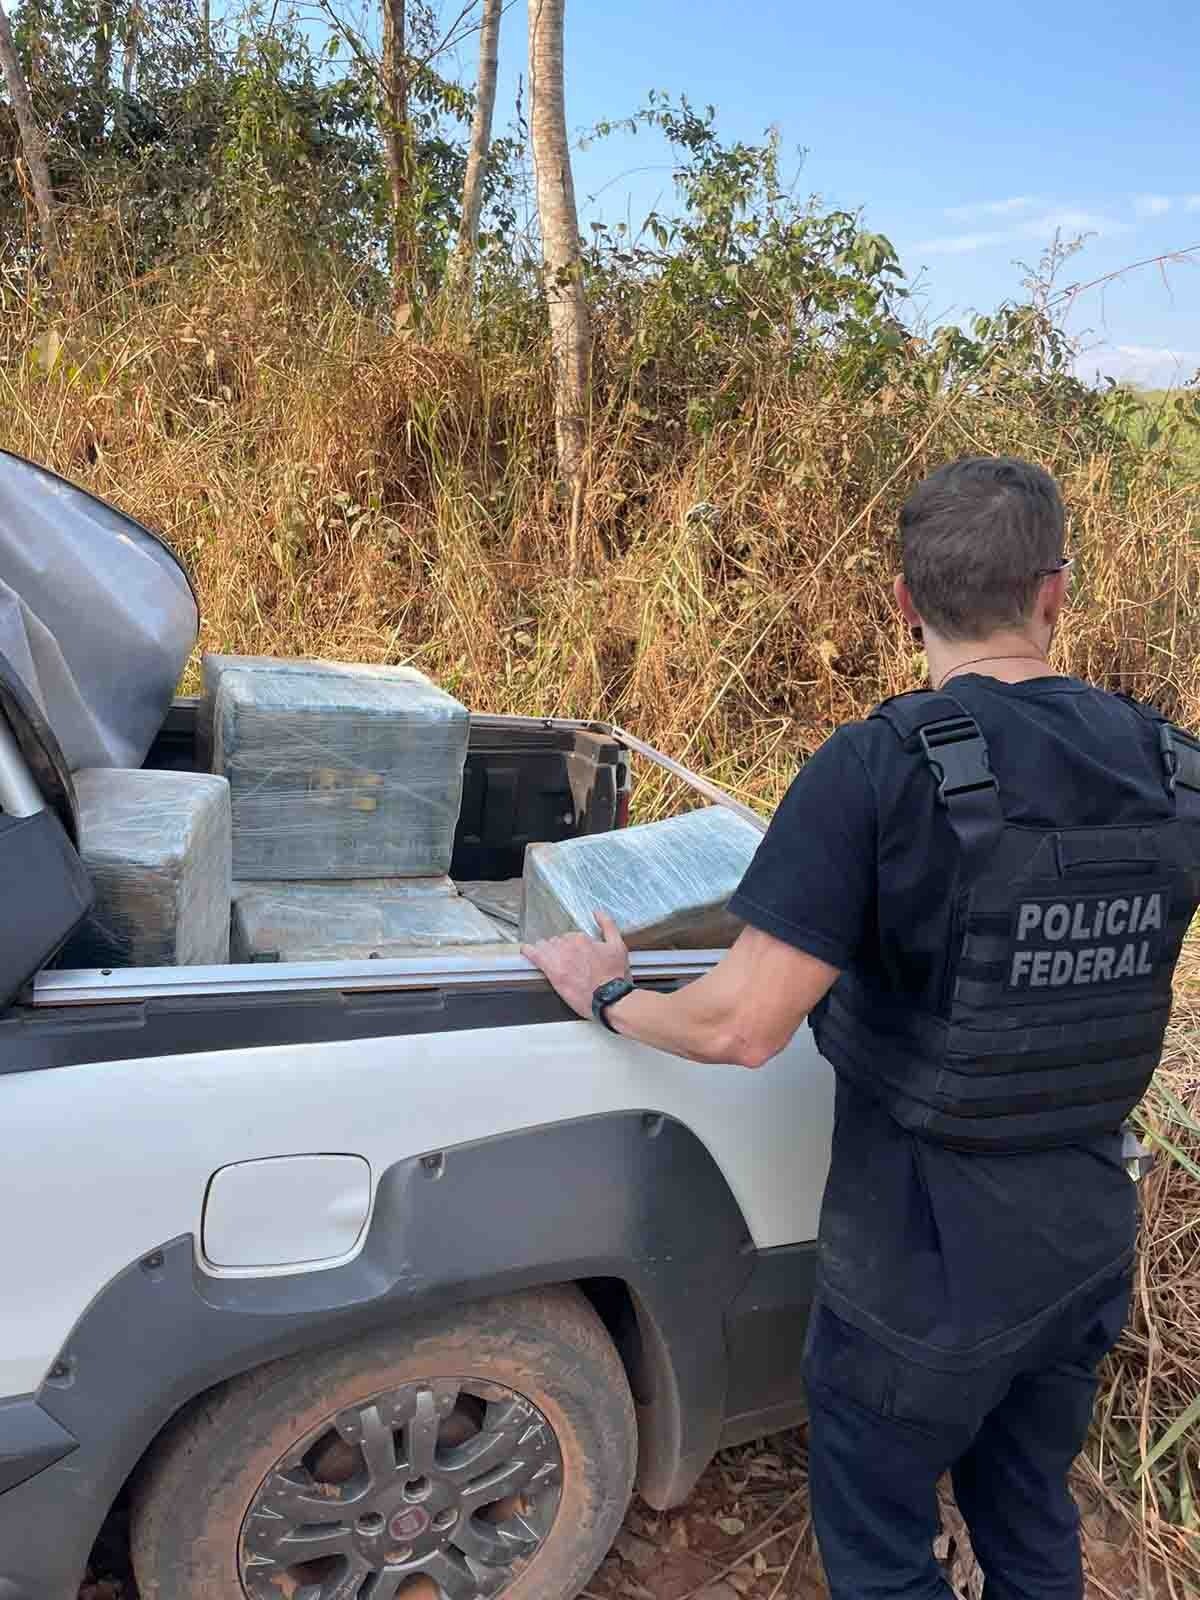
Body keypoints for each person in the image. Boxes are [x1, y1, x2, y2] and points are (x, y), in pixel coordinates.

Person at [523, 455, 1200, 1600]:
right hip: (1089, 1231)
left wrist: (606, 991)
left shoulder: (878, 767)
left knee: (884, 1542)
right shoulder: (1174, 767)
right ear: (1055, 591)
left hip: (922, 1258)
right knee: (1028, 1507)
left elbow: (744, 1026)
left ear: (902, 602)